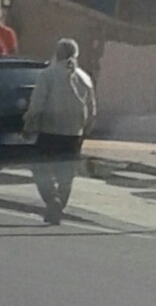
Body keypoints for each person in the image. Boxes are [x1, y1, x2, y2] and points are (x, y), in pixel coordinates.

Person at [22, 38, 97, 224]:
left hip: (50, 132)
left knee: (41, 170)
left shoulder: (48, 75)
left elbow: (37, 104)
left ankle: (51, 200)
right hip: (74, 134)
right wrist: (86, 130)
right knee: (66, 175)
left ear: (57, 53)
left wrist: (29, 125)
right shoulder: (85, 78)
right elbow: (92, 109)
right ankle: (57, 207)